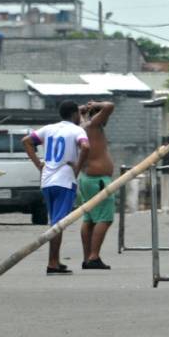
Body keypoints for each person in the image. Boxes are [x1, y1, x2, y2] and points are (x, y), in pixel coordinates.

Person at [22, 100, 90, 275]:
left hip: (47, 181)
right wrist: (77, 167)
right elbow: (85, 146)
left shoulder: (49, 129)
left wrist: (39, 164)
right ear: (75, 115)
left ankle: (55, 261)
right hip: (64, 181)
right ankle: (52, 263)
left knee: (55, 221)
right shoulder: (77, 130)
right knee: (58, 224)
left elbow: (27, 141)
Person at [78, 101, 116, 270]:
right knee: (105, 218)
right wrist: (97, 104)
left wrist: (83, 110)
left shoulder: (80, 126)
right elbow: (109, 106)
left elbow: (79, 112)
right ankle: (94, 256)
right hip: (98, 180)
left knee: (90, 219)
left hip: (87, 179)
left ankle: (87, 257)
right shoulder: (93, 125)